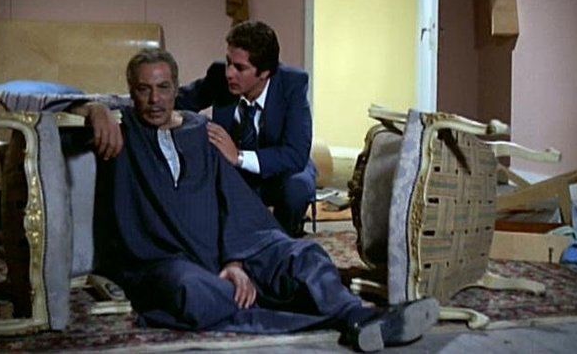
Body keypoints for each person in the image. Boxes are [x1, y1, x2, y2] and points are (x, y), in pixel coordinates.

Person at [70, 48, 438, 352]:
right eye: (143, 89)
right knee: (193, 292)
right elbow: (41, 100)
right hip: (166, 260)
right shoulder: (120, 131)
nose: (154, 100)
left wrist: (234, 260)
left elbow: (232, 200)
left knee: (303, 256)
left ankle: (356, 314)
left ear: (176, 88)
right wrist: (93, 109)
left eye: (163, 88)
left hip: (229, 247)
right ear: (130, 92)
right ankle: (344, 320)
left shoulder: (202, 131)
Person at [175, 21, 317, 238]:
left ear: (265, 72)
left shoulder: (292, 85)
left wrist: (239, 157)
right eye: (228, 63)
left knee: (297, 187)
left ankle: (285, 238)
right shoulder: (219, 77)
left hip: (280, 171)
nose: (229, 73)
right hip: (235, 174)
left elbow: (295, 154)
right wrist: (121, 105)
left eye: (240, 68)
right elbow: (176, 101)